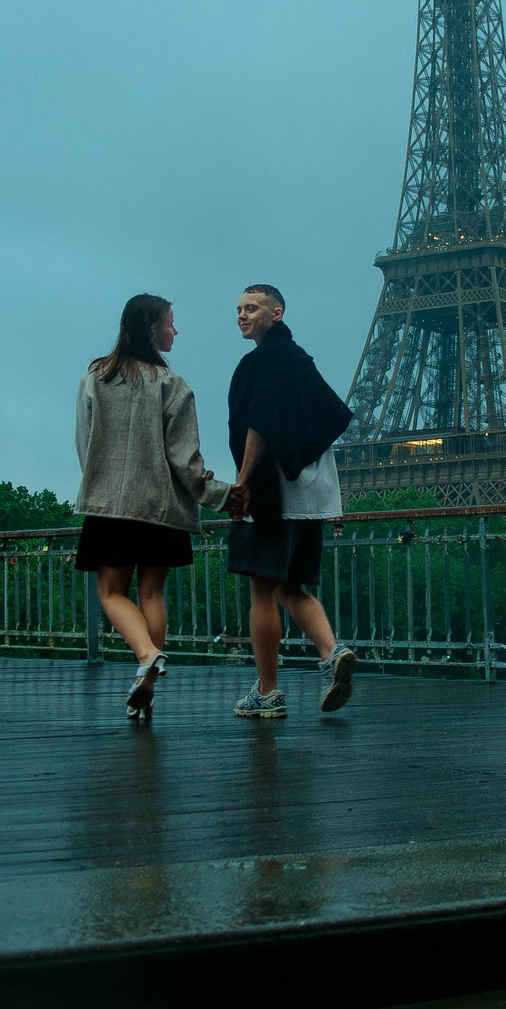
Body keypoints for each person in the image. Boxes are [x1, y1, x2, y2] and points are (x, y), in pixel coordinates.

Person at [74, 294, 239, 718]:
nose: (175, 330)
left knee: (111, 592)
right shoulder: (174, 386)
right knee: (152, 591)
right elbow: (186, 461)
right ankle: (147, 676)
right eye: (170, 323)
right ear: (152, 329)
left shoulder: (96, 375)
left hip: (109, 505)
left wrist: (99, 482)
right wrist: (221, 495)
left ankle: (146, 655)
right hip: (161, 509)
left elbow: (85, 441)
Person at [224, 284, 359, 718]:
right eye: (239, 309)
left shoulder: (262, 361)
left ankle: (267, 692)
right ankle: (332, 650)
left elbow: (259, 425)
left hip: (274, 490)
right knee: (290, 586)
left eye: (252, 308)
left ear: (277, 312)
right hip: (314, 491)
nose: (242, 315)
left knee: (262, 590)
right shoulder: (299, 359)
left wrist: (242, 483)